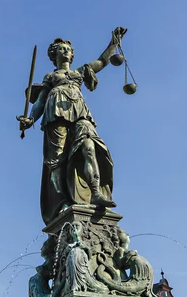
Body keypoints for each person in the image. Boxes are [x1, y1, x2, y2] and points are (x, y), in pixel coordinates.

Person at [17, 27, 127, 224]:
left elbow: (102, 62)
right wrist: (31, 119)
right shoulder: (50, 78)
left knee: (89, 146)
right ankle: (61, 204)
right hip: (55, 115)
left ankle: (95, 193)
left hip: (80, 113)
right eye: (61, 49)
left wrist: (114, 43)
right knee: (57, 160)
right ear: (54, 54)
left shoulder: (79, 73)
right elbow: (40, 102)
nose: (65, 51)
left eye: (68, 48)